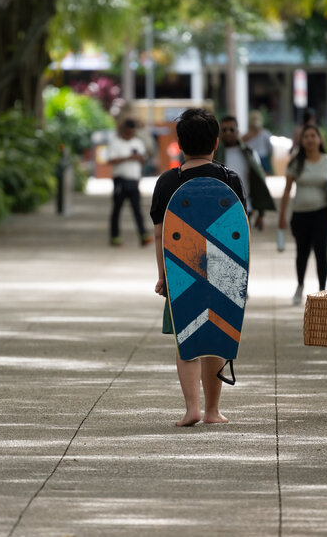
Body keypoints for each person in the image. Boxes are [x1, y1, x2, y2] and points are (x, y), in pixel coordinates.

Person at [149, 108, 247, 427]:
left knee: (186, 337)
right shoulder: (229, 179)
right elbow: (239, 234)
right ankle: (211, 411)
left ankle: (191, 408)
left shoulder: (168, 182)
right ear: (216, 143)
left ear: (179, 144)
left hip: (183, 272)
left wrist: (164, 275)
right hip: (222, 270)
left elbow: (160, 234)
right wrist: (239, 278)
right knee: (216, 334)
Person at [278, 125, 327, 305]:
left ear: (319, 139)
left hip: (323, 213)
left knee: (321, 252)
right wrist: (282, 216)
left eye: (313, 136)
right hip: (300, 214)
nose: (310, 139)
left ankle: (322, 289)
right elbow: (287, 190)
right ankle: (300, 286)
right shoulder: (296, 162)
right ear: (301, 141)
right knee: (302, 253)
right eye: (306, 136)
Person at [214, 115, 276, 230]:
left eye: (231, 129)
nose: (228, 133)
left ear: (237, 131)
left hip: (245, 208)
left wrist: (261, 214)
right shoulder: (214, 155)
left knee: (242, 246)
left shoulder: (249, 154)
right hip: (220, 209)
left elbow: (259, 181)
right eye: (224, 130)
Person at [107, 117, 152, 247]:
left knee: (137, 210)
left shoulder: (138, 142)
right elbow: (110, 160)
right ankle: (114, 237)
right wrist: (128, 158)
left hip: (134, 180)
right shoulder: (115, 142)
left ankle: (143, 236)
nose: (130, 135)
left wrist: (139, 158)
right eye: (128, 132)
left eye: (132, 132)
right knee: (116, 210)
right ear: (123, 130)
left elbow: (144, 159)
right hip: (120, 180)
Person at [242, 110, 274, 175]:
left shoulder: (264, 134)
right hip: (254, 159)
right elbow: (270, 148)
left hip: (260, 159)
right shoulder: (265, 133)